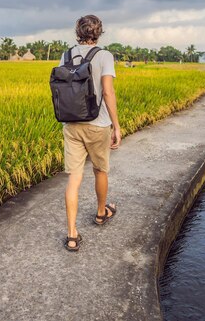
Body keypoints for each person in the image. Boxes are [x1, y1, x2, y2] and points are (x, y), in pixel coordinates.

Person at [60, 15, 122, 252]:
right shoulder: (104, 56)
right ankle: (100, 212)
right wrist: (116, 125)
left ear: (78, 31)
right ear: (99, 32)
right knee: (100, 170)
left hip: (71, 124)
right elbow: (108, 92)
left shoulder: (66, 55)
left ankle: (72, 234)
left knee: (74, 178)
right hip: (98, 124)